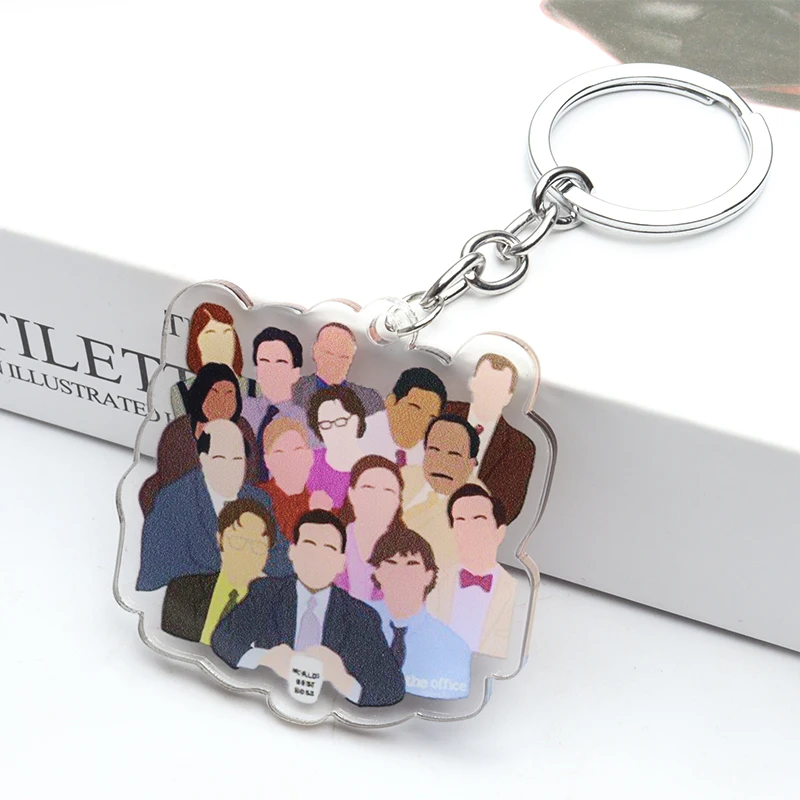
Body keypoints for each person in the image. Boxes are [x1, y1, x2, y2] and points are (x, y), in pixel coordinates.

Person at [211, 510, 406, 708]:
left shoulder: (360, 616)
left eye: (328, 549)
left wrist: (341, 678)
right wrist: (267, 658)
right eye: (309, 545)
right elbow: (224, 638)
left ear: (341, 563)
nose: (317, 557)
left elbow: (391, 687)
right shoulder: (267, 593)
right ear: (292, 552)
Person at [137, 419, 292, 591]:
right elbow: (157, 576)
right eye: (220, 458)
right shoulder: (174, 501)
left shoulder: (259, 499)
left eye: (237, 459)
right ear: (203, 459)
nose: (230, 467)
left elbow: (283, 558)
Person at [139, 364, 258, 515]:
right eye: (214, 393)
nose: (222, 401)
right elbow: (173, 480)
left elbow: (251, 475)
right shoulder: (178, 432)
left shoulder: (243, 428)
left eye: (229, 394)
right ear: (201, 394)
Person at [368, 527, 471, 700]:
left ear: (429, 575)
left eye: (411, 564)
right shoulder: (352, 621)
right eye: (391, 563)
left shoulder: (453, 646)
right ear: (377, 573)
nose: (400, 573)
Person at [161, 499, 276, 644]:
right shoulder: (183, 590)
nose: (246, 552)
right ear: (220, 539)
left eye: (258, 545)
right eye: (238, 540)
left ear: (267, 554)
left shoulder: (276, 608)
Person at [427, 484, 516, 660]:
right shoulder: (433, 584)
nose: (468, 528)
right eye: (460, 520)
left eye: (478, 519)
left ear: (500, 532)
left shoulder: (514, 590)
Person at [445, 353, 535, 522]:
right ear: (472, 383)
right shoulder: (441, 411)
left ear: (509, 396)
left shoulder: (520, 447)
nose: (489, 394)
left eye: (498, 388)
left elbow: (504, 509)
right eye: (485, 384)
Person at [402, 414, 481, 569]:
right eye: (434, 450)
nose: (441, 462)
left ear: (470, 464)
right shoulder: (402, 480)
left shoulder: (476, 507)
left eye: (454, 455)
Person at [334, 455, 404, 602]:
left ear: (398, 501)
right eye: (368, 488)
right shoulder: (333, 543)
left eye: (388, 490)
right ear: (351, 494)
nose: (377, 498)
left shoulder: (409, 554)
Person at [360, 367, 447, 467]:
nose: (422, 422)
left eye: (431, 418)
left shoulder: (430, 456)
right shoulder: (359, 435)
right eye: (415, 408)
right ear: (391, 402)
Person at [171, 303, 247, 418]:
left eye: (227, 333)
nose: (220, 342)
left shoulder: (254, 389)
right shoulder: (182, 392)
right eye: (211, 334)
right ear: (196, 342)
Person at [292, 323, 383, 416]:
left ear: (351, 358)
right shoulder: (292, 390)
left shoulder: (370, 400)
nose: (335, 362)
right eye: (329, 353)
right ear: (315, 351)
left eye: (343, 356)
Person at [306, 386, 367, 509]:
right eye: (325, 424)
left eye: (340, 421)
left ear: (356, 420)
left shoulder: (373, 469)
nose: (333, 430)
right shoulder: (309, 462)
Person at [255, 418, 316, 542]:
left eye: (297, 450)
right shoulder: (255, 500)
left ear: (309, 456)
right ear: (267, 461)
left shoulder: (319, 507)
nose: (290, 460)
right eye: (279, 452)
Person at [241, 327, 307, 435]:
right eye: (264, 361)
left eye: (280, 362)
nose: (271, 369)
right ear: (257, 370)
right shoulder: (242, 409)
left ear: (295, 373)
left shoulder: (305, 419)